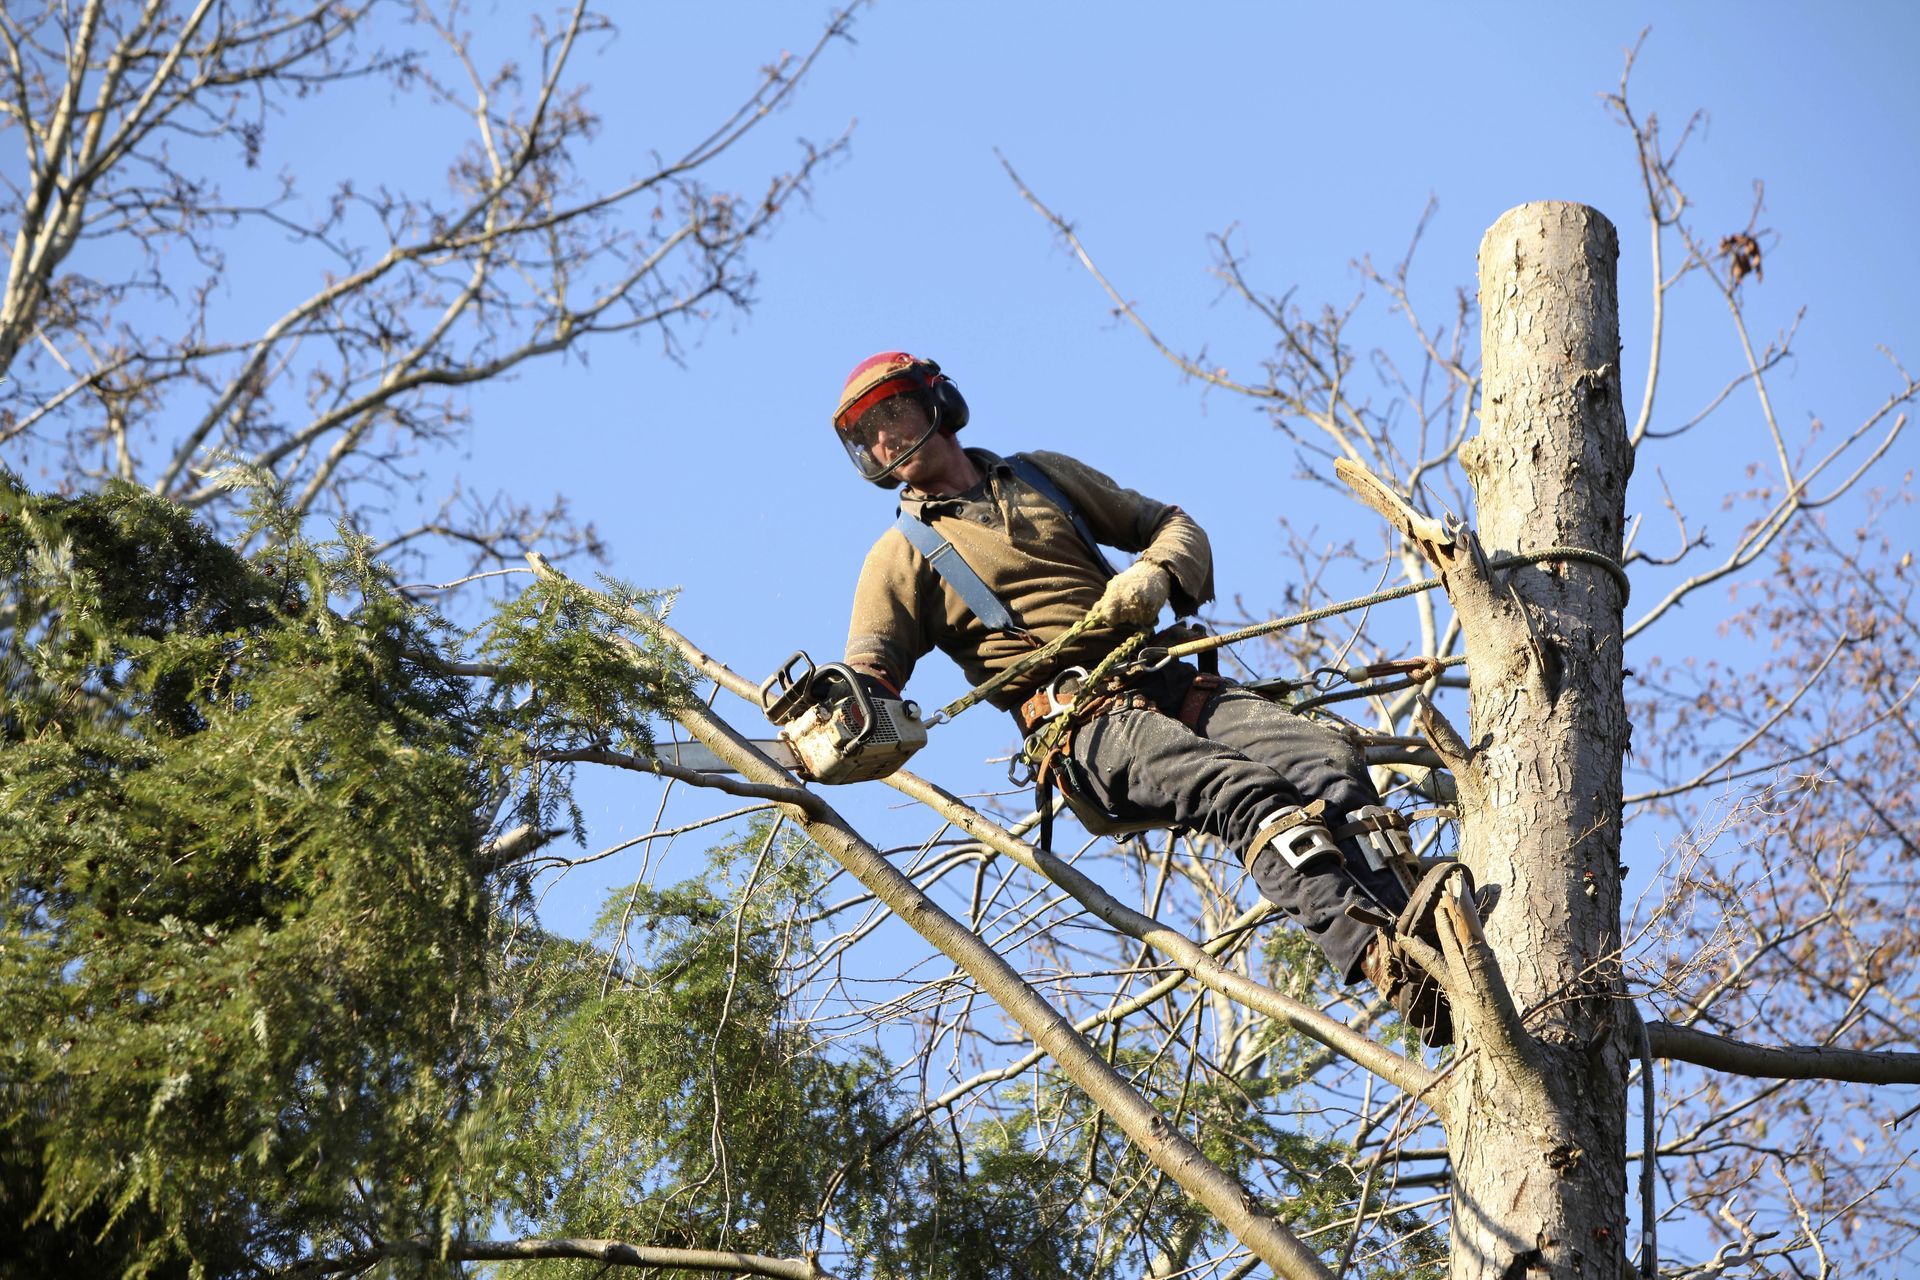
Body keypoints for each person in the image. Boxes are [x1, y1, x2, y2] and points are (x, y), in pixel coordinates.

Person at [832, 351, 1450, 1045]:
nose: (884, 440)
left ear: (938, 403)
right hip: (1081, 723)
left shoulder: (1039, 474)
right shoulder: (900, 554)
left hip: (1167, 681)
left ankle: (1429, 951)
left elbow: (1174, 523)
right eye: (867, 433)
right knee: (1242, 790)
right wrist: (831, 726)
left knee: (1322, 758)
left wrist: (1155, 574)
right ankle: (1376, 954)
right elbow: (870, 671)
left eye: (892, 415)